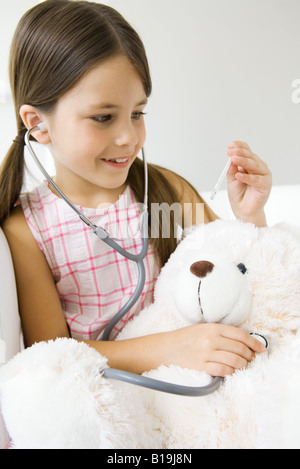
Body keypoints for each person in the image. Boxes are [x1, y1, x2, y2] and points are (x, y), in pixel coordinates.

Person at [0, 0, 270, 378]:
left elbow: (238, 278)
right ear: (38, 124)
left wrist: (250, 216)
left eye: (137, 113)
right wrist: (173, 348)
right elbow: (51, 352)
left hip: (190, 388)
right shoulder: (26, 229)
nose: (128, 136)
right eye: (103, 117)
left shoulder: (164, 192)